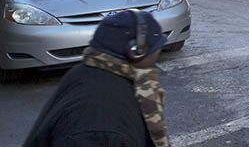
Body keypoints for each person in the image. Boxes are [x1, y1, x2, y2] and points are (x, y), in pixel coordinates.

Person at [21, 9, 170, 147]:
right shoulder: (102, 126)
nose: (159, 51)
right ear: (136, 52)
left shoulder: (86, 73)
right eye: (156, 46)